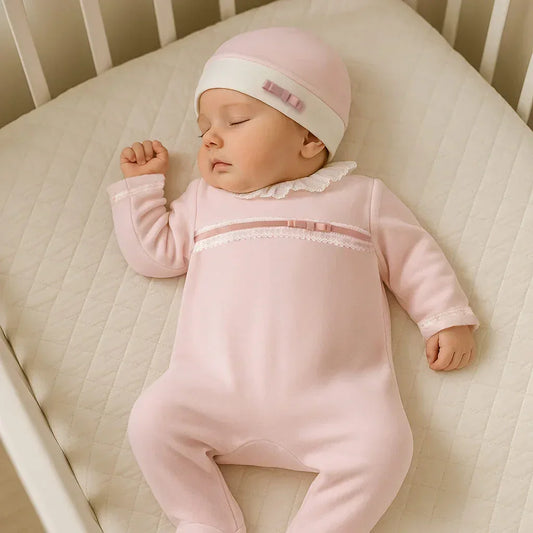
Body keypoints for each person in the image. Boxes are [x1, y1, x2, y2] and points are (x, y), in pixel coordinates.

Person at [107, 26, 480, 533]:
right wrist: (144, 188)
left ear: (309, 138)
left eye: (236, 120)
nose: (211, 138)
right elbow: (155, 253)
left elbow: (414, 254)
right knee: (152, 424)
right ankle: (204, 520)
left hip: (334, 401)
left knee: (385, 448)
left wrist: (445, 318)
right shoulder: (204, 201)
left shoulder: (359, 197)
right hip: (211, 389)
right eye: (204, 129)